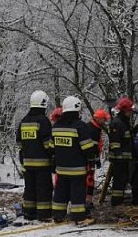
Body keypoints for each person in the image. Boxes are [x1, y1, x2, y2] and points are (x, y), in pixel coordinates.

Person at [51, 96, 98, 225]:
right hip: (77, 168)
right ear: (77, 109)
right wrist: (92, 159)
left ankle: (58, 215)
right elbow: (87, 147)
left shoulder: (56, 126)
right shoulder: (79, 126)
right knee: (77, 192)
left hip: (61, 168)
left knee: (61, 191)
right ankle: (78, 217)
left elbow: (51, 147)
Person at [16, 90, 55, 221]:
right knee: (43, 189)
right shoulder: (43, 121)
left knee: (30, 189)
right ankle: (44, 214)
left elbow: (19, 143)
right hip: (42, 164)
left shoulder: (24, 120)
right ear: (44, 103)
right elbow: (48, 144)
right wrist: (54, 154)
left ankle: (29, 212)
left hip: (27, 163)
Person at [108, 97, 137, 206]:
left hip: (123, 158)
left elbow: (126, 137)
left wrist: (134, 130)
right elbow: (115, 141)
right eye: (129, 111)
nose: (131, 113)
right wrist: (118, 154)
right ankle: (116, 202)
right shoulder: (117, 122)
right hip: (119, 158)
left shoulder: (124, 122)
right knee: (118, 181)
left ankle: (118, 201)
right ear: (124, 110)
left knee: (122, 180)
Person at [85, 108, 110, 209]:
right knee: (89, 180)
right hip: (89, 160)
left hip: (91, 158)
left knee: (90, 180)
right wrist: (95, 159)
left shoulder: (95, 128)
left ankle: (88, 201)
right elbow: (92, 147)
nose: (105, 121)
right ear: (99, 119)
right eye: (104, 119)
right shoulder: (92, 129)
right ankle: (87, 202)